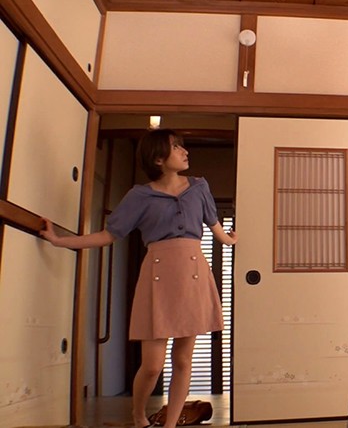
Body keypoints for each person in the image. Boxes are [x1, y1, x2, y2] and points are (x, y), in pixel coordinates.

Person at [40, 128, 237, 428]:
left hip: (194, 274)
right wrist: (59, 241)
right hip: (158, 276)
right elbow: (109, 235)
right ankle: (138, 415)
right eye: (176, 147)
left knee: (183, 360)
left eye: (182, 146)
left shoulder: (199, 187)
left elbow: (215, 227)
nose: (184, 151)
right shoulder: (140, 196)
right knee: (152, 365)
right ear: (158, 159)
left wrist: (231, 239)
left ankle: (170, 424)